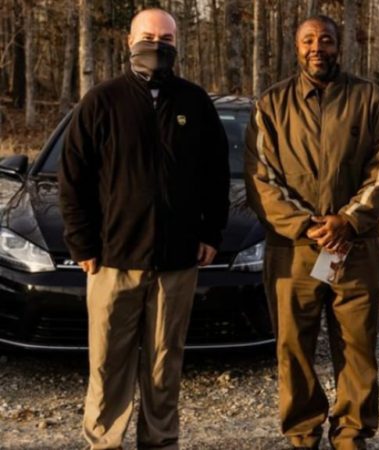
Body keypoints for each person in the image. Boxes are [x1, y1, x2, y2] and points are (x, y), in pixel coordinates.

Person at [58, 8, 229, 449]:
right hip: (113, 260)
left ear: (177, 44)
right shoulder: (102, 100)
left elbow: (215, 174)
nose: (157, 46)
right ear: (129, 42)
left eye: (166, 39)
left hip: (176, 262)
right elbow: (72, 177)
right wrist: (81, 242)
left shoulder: (194, 102)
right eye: (149, 36)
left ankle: (160, 441)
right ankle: (105, 442)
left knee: (163, 364)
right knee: (108, 365)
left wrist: (212, 233)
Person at [244, 14, 379, 450]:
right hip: (293, 250)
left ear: (339, 46)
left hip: (356, 248)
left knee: (357, 344)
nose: (318, 47)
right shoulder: (271, 105)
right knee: (293, 346)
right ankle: (302, 431)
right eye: (309, 40)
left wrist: (348, 222)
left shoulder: (369, 98)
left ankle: (351, 432)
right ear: (296, 47)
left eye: (326, 40)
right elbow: (261, 178)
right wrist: (308, 227)